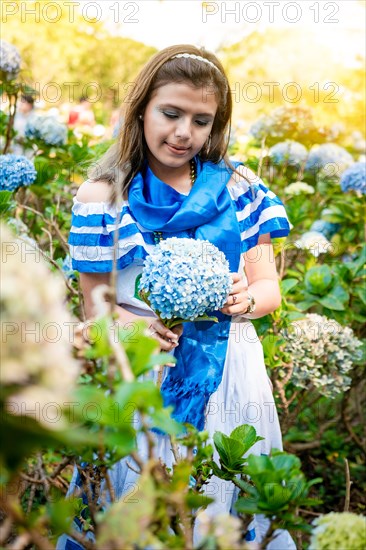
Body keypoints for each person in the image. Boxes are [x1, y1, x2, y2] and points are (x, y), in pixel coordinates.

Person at [59, 44, 295, 549]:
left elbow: (268, 286)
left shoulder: (239, 188)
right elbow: (95, 308)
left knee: (216, 507)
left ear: (216, 125)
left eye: (202, 120)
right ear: (141, 108)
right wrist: (136, 327)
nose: (184, 132)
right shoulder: (104, 197)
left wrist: (245, 300)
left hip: (230, 372)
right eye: (171, 113)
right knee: (136, 510)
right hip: (142, 373)